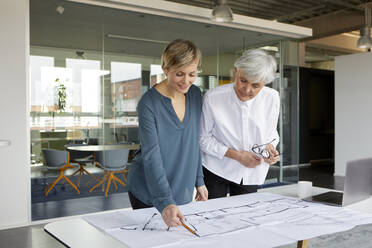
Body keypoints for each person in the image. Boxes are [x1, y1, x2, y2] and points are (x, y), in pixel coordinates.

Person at [127, 39, 208, 227]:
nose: (186, 81)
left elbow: (193, 141)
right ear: (165, 68)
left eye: (192, 74)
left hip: (182, 186)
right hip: (148, 189)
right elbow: (151, 155)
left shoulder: (195, 94)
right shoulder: (148, 104)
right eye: (179, 74)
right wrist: (165, 201)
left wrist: (199, 180)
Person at [200, 49, 280, 199]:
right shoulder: (213, 97)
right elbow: (202, 139)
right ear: (236, 72)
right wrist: (237, 156)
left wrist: (270, 149)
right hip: (217, 168)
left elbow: (271, 134)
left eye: (256, 86)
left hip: (251, 170)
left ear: (265, 83)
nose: (247, 89)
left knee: (244, 217)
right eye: (243, 80)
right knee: (213, 215)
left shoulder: (272, 98)